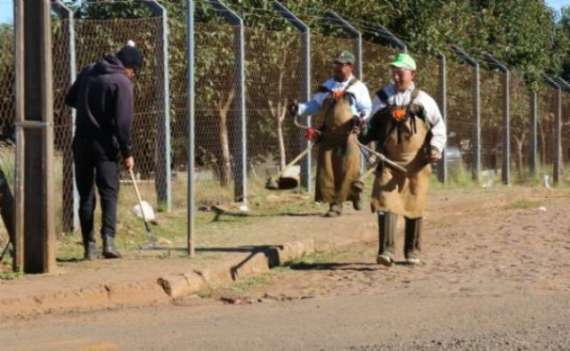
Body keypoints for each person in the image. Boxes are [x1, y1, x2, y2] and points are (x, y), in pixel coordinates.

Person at [359, 53, 447, 266]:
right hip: (388, 161)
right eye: (394, 72)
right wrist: (361, 129)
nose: (397, 76)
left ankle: (412, 252)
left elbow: (439, 127)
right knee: (386, 203)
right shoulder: (381, 98)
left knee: (414, 204)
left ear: (412, 73)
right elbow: (369, 127)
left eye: (401, 72)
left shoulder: (424, 100)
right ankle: (386, 252)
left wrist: (435, 148)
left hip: (416, 163)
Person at [65, 41, 143, 260]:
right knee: (109, 192)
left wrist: (88, 106)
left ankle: (89, 246)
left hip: (81, 141)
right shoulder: (122, 82)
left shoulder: (89, 70)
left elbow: (69, 98)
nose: (133, 75)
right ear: (129, 67)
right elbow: (123, 124)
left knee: (86, 194)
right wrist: (127, 153)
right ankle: (108, 241)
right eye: (134, 71)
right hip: (105, 145)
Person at [288, 51, 372, 217]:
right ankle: (335, 202)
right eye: (336, 64)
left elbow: (366, 109)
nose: (337, 68)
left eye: (341, 65)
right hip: (328, 134)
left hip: (349, 134)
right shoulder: (327, 86)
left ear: (350, 67)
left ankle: (345, 200)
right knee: (328, 169)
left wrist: (360, 119)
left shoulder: (358, 87)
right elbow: (313, 106)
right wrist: (298, 109)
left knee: (347, 169)